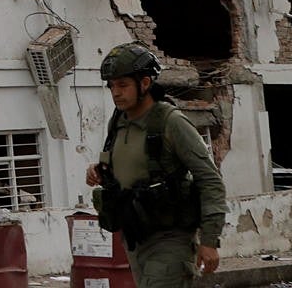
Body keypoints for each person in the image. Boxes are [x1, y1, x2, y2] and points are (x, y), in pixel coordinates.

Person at [85, 43, 226, 287]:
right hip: (135, 237)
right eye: (112, 86)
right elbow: (129, 163)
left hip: (170, 239)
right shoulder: (118, 121)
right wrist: (99, 170)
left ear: (145, 83)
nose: (115, 92)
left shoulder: (171, 122)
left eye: (123, 85)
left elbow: (210, 179)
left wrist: (210, 239)